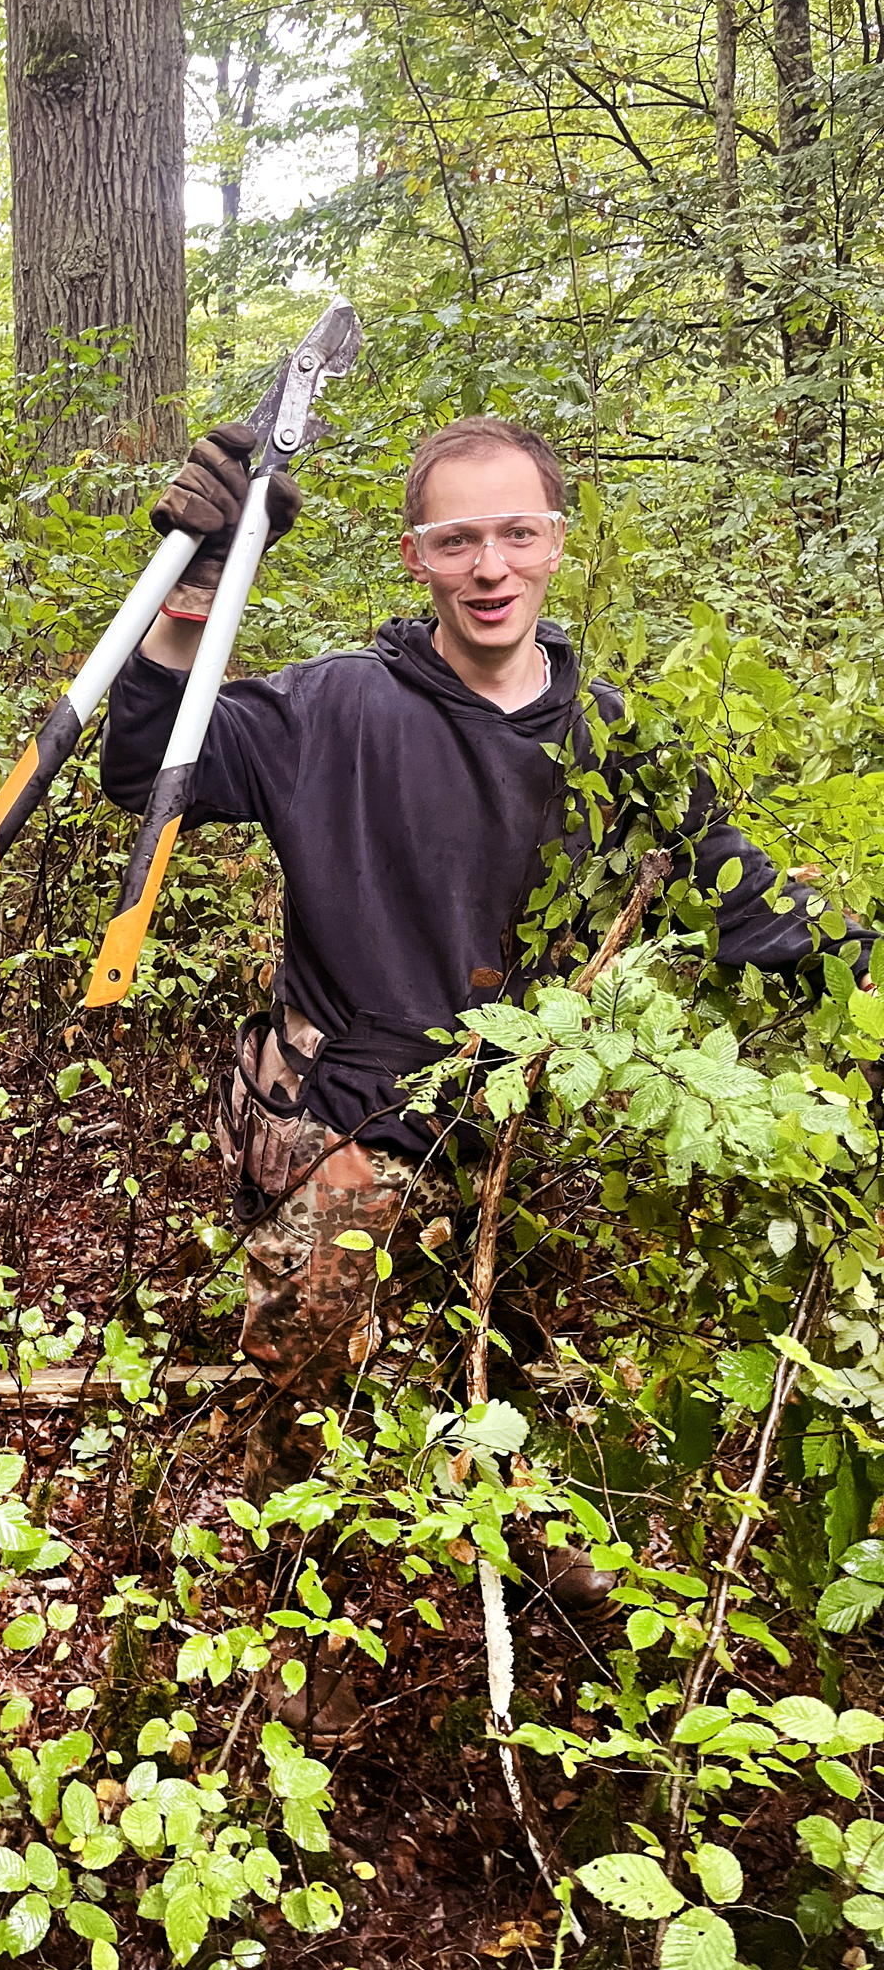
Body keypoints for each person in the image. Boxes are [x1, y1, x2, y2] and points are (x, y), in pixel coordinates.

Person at [101, 417, 872, 1733]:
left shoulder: (614, 737)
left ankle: (497, 1559)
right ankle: (243, 1650)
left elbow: (749, 913)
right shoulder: (338, 706)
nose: (490, 564)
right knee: (295, 1400)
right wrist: (187, 597)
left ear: (557, 545)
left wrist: (858, 963)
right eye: (458, 538)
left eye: (517, 532)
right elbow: (145, 770)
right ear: (416, 557)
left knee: (521, 1380)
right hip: (335, 1118)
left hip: (519, 1132)